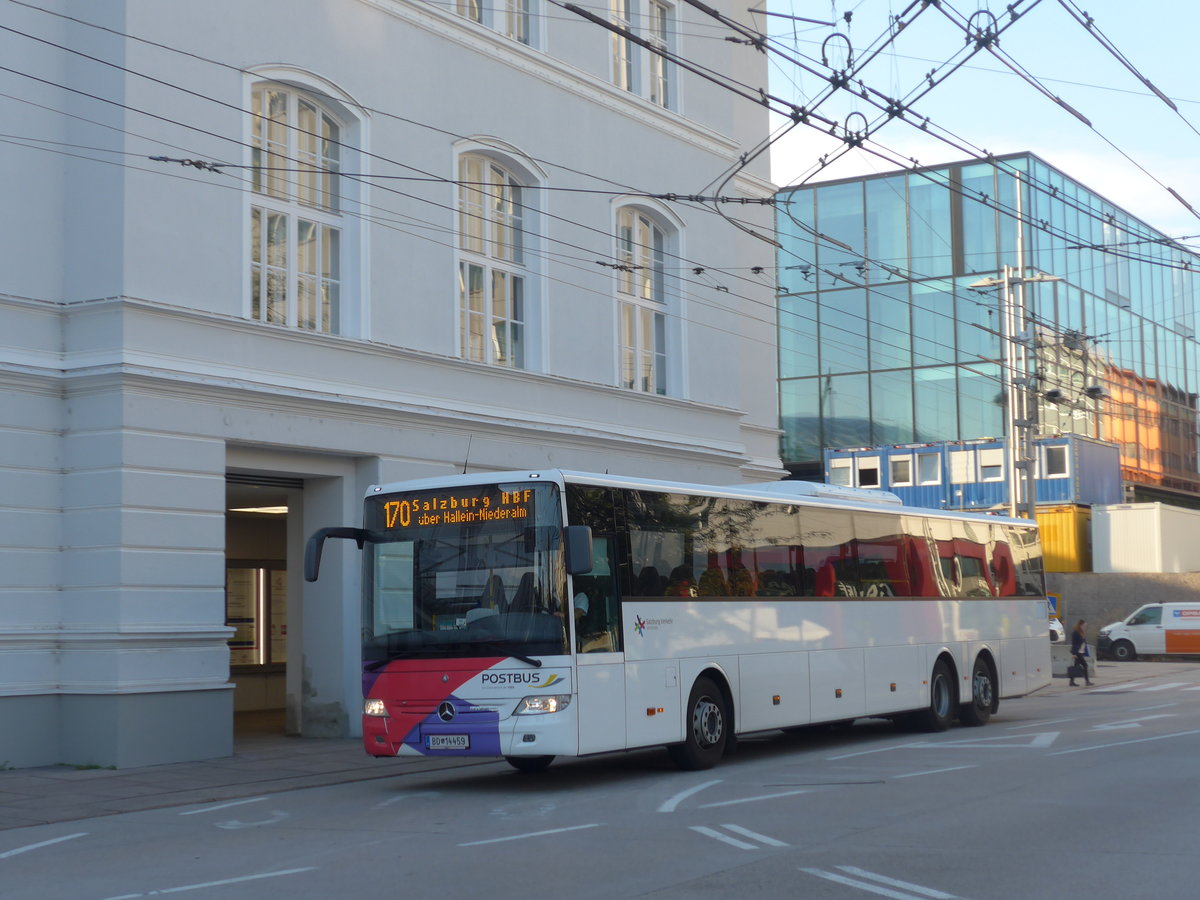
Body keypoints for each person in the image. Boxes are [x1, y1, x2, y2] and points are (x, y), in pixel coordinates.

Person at [1070, 618, 1092, 686]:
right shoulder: (1076, 633)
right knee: (1085, 665)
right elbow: (1074, 644)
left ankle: (1071, 682)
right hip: (1077, 653)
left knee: (1076, 667)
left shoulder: (1081, 633)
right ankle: (1087, 681)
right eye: (1084, 626)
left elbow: (1082, 643)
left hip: (1080, 652)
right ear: (1080, 625)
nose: (1085, 627)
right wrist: (1074, 653)